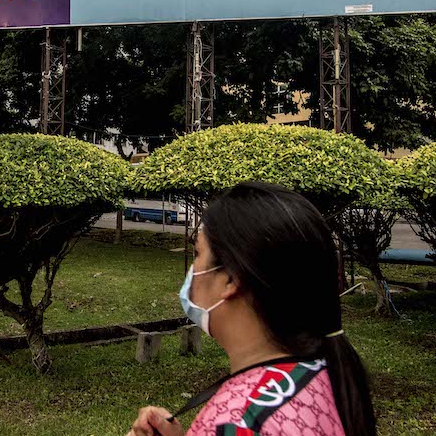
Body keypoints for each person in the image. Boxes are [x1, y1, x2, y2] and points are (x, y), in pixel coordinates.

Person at [127, 182, 376, 436]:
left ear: (232, 279)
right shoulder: (321, 372)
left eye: (198, 253)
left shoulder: (238, 424)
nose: (193, 270)